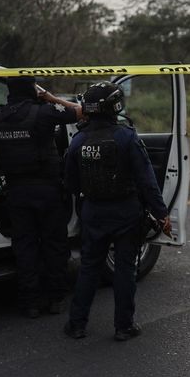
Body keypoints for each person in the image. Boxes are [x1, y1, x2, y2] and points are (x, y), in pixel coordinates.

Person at [62, 81, 171, 341]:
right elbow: (147, 181)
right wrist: (162, 213)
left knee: (89, 268)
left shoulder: (78, 140)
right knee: (124, 269)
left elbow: (71, 183)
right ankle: (124, 326)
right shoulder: (126, 137)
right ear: (116, 105)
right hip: (126, 214)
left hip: (93, 213)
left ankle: (77, 324)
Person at [0, 76, 81, 318]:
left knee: (25, 247)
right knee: (54, 244)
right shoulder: (45, 112)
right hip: (47, 190)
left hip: (16, 192)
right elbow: (80, 112)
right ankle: (55, 298)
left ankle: (30, 303)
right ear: (32, 89)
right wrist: (49, 97)